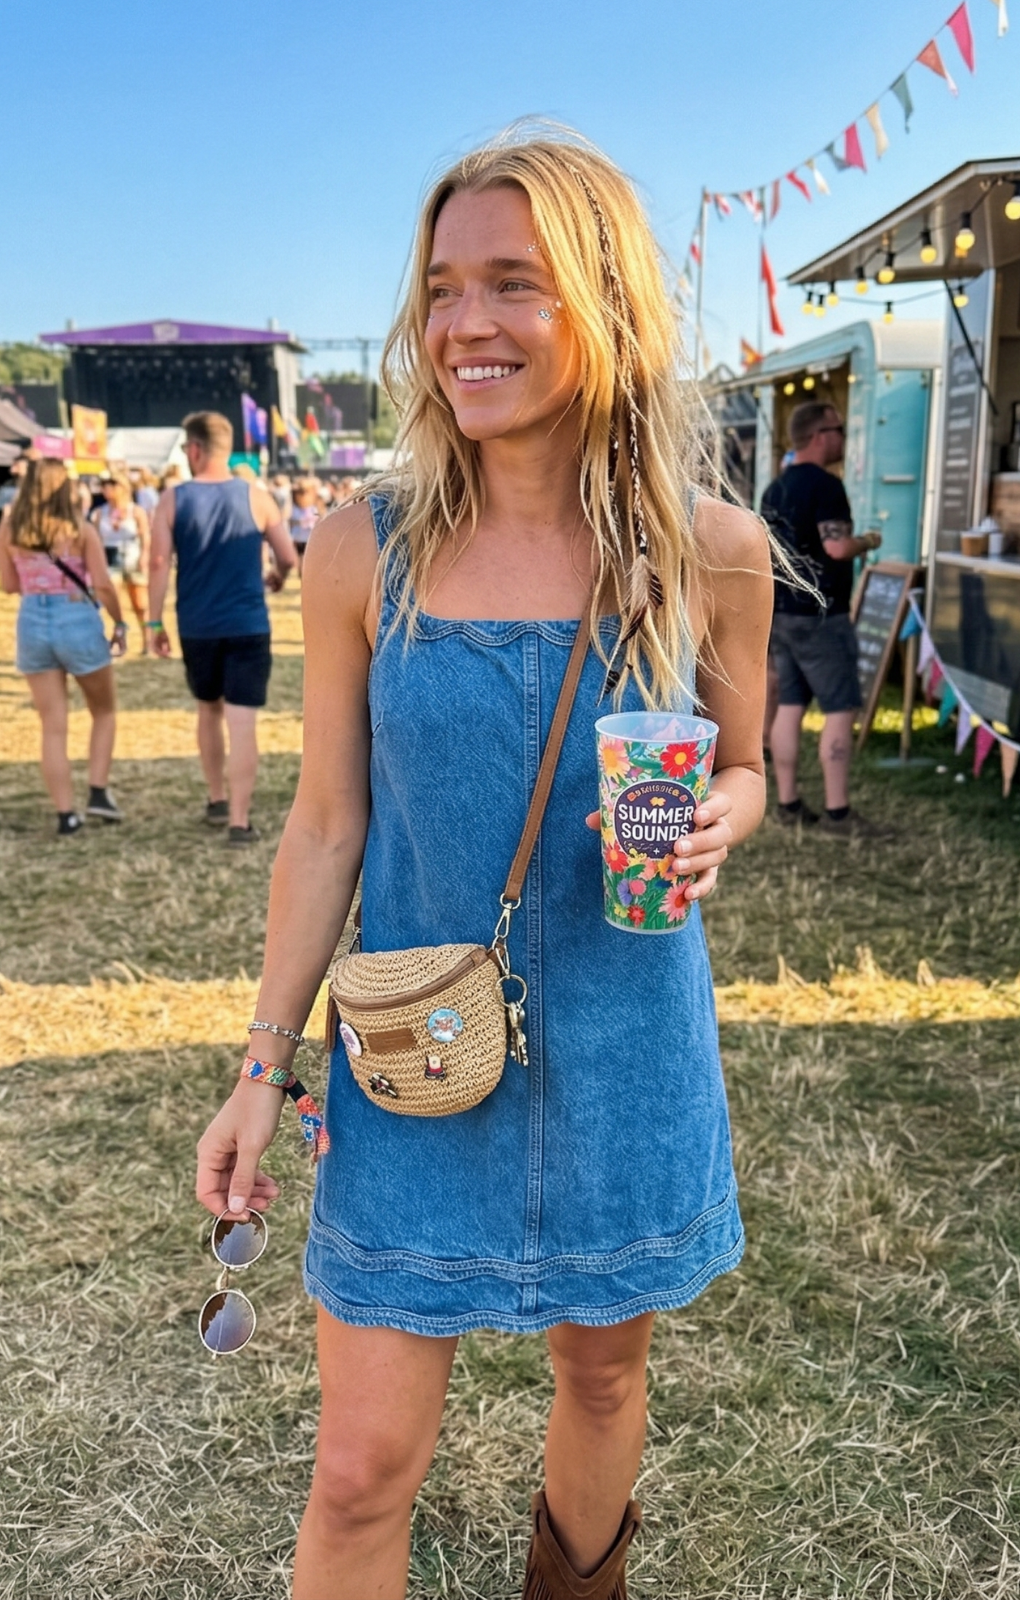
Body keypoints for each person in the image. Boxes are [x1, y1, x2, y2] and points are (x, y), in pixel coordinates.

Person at [195, 131, 772, 1599]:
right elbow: (328, 824)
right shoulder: (359, 550)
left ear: (605, 302)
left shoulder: (710, 552)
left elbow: (745, 759)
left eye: (514, 281)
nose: (465, 324)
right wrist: (261, 1065)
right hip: (411, 1050)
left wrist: (729, 811)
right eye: (444, 288)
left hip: (627, 1041)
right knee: (358, 1469)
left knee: (603, 1380)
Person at [148, 411, 297, 846]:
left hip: (198, 625)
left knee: (208, 711)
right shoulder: (257, 496)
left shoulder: (173, 499)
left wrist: (153, 621)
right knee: (242, 722)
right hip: (247, 623)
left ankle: (216, 797)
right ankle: (239, 820)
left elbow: (157, 563)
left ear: (194, 449)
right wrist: (278, 577)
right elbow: (288, 556)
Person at [761, 402, 882, 836]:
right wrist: (867, 541)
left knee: (790, 706)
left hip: (781, 613)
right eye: (839, 430)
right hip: (822, 616)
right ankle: (838, 813)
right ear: (818, 436)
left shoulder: (774, 489)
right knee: (839, 708)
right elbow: (836, 547)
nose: (843, 438)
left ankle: (788, 802)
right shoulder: (827, 486)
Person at [0, 458, 126, 834]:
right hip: (77, 617)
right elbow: (102, 584)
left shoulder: (10, 528)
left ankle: (65, 813)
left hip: (32, 621)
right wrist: (119, 622)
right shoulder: (79, 529)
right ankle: (98, 791)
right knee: (103, 710)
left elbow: (9, 584)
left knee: (52, 726)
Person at [92, 469, 151, 650]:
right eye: (104, 485)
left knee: (140, 603)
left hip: (133, 557)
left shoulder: (136, 511)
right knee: (114, 602)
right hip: (110, 559)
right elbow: (96, 540)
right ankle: (119, 637)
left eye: (112, 485)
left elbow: (145, 536)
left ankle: (147, 640)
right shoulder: (100, 513)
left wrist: (144, 557)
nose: (107, 489)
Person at [288, 477, 320, 572]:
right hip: (298, 537)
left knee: (308, 561)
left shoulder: (315, 506)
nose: (303, 495)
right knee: (300, 560)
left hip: (310, 537)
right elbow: (290, 521)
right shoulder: (293, 508)